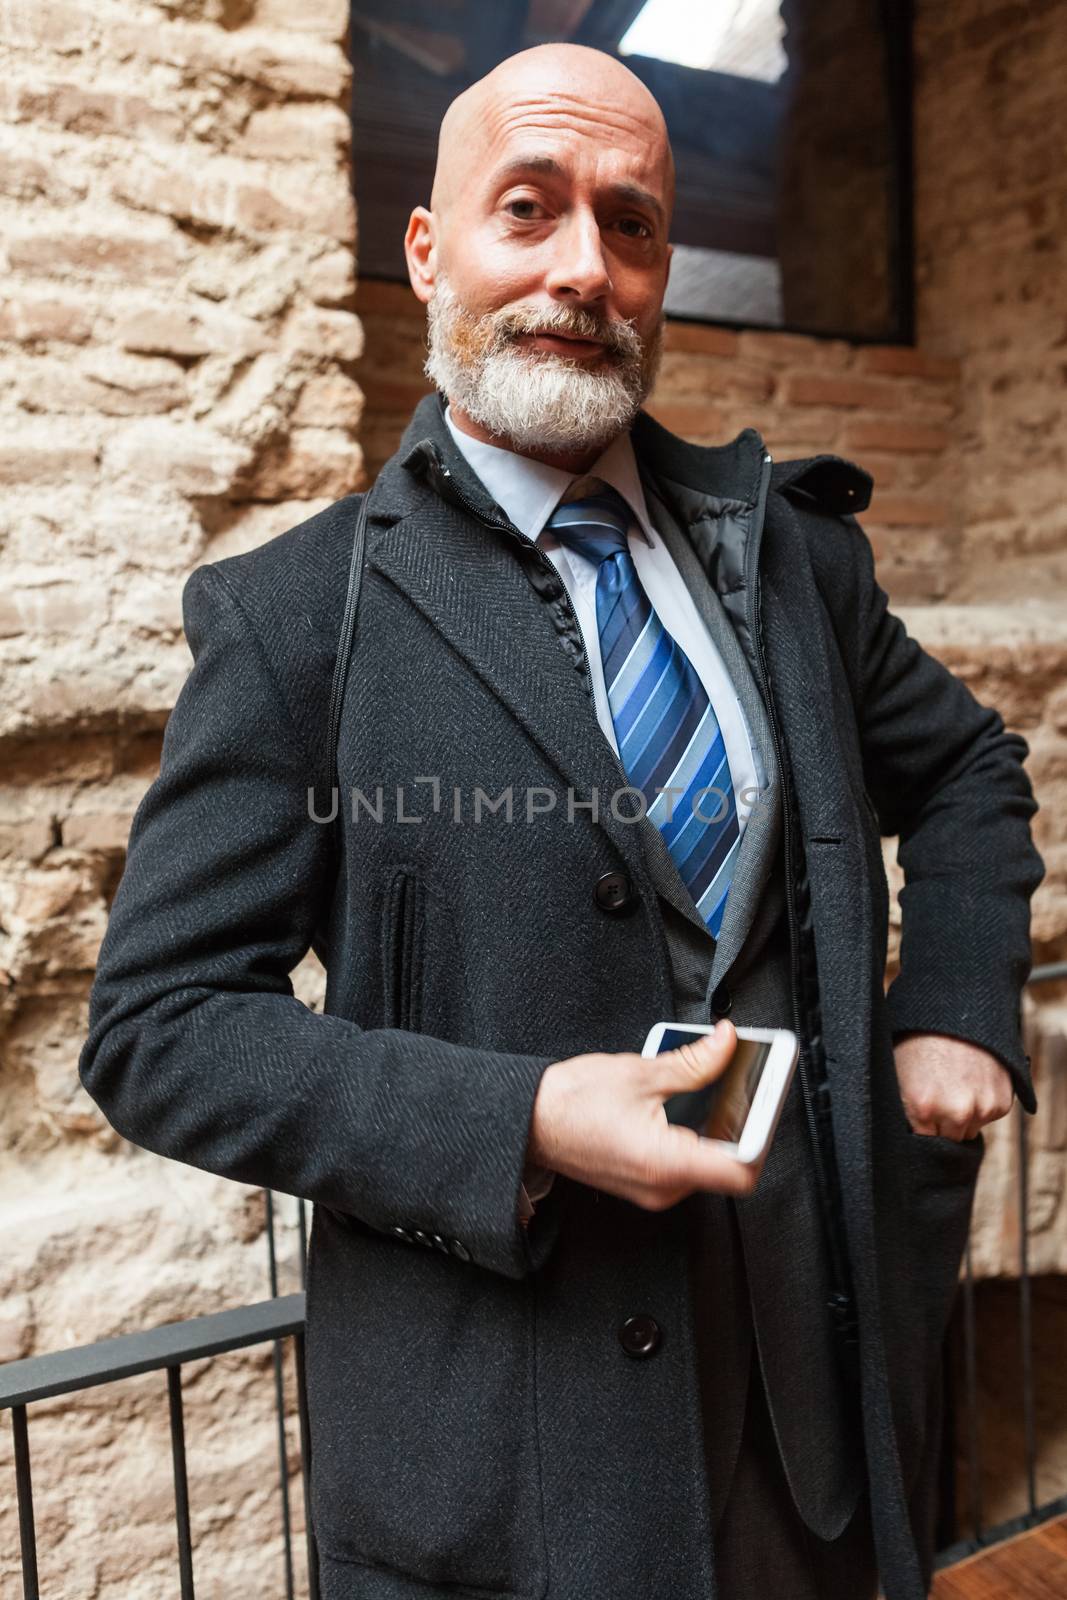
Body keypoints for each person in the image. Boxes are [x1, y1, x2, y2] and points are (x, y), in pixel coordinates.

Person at [79, 41, 1044, 1600]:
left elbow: (970, 773)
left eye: (632, 222)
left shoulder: (791, 555)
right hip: (516, 1473)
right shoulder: (295, 620)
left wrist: (954, 1010)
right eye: (527, 209)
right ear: (427, 250)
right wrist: (519, 1121)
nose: (582, 268)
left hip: (819, 1424)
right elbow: (159, 1030)